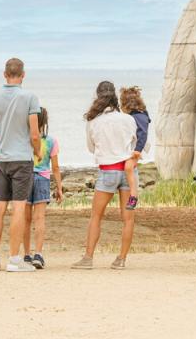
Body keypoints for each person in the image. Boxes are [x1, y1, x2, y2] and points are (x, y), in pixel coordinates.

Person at [71, 81, 137, 270]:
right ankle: (121, 259)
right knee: (128, 218)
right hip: (129, 172)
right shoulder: (127, 119)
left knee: (96, 216)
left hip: (108, 170)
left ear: (98, 97)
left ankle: (88, 258)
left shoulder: (94, 121)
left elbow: (91, 147)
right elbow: (135, 143)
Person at [0, 57, 41, 273]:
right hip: (21, 159)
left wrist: (4, 142)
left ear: (4, 74)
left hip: (1, 158)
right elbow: (34, 134)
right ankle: (15, 259)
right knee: (19, 206)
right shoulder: (30, 97)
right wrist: (36, 152)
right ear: (23, 75)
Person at [23, 106, 63, 269]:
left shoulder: (24, 138)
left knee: (25, 220)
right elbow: (55, 168)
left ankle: (26, 254)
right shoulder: (51, 141)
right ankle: (38, 254)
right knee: (39, 219)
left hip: (24, 178)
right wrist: (59, 187)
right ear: (45, 121)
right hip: (43, 179)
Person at [119, 86, 151, 210]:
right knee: (128, 168)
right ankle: (133, 195)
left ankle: (133, 196)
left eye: (122, 105)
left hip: (139, 147)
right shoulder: (139, 115)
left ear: (127, 105)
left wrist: (137, 150)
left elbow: (143, 134)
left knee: (128, 167)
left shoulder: (139, 117)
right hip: (136, 146)